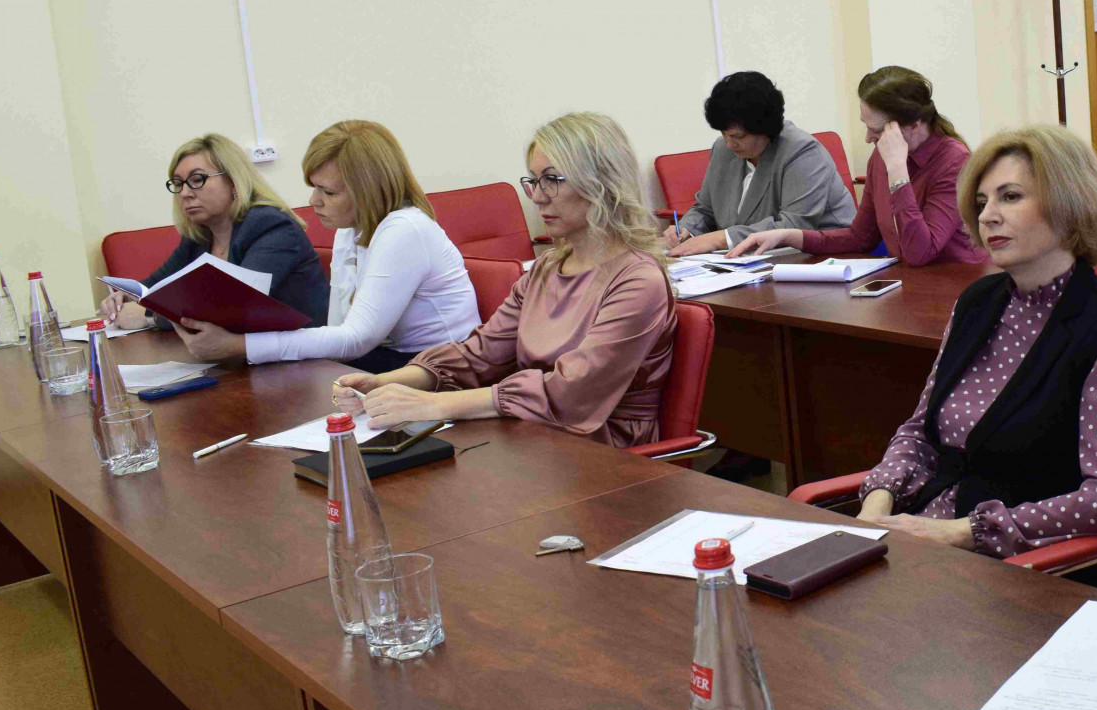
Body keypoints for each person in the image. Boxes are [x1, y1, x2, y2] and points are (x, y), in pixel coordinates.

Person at [852, 126, 1097, 558]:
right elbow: (921, 432)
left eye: (1010, 197)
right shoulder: (977, 302)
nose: (987, 216)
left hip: (1022, 564)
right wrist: (876, 506)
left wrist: (963, 532)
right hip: (924, 535)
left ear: (1069, 204)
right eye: (982, 203)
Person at [333, 112, 676, 447]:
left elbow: (571, 393)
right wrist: (385, 383)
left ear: (601, 184)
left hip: (602, 449)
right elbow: (480, 355)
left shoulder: (638, 280)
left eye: (553, 180)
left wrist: (435, 404)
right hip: (535, 431)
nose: (538, 196)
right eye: (534, 181)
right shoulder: (546, 268)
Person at [170, 121, 479, 374]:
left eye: (328, 192)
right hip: (397, 360)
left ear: (367, 192)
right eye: (314, 188)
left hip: (443, 367)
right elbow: (339, 326)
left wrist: (240, 346)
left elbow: (355, 340)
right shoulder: (350, 229)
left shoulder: (404, 229)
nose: (313, 201)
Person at [727, 66, 984, 265]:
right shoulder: (881, 157)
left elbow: (919, 252)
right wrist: (789, 236)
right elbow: (861, 237)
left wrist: (897, 172)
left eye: (877, 130)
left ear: (915, 125)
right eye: (865, 125)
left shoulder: (954, 161)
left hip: (957, 288)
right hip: (910, 286)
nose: (868, 138)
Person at [100, 133, 328, 329]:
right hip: (246, 354)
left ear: (234, 182)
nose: (185, 193)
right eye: (178, 184)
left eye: (197, 179)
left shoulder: (271, 225)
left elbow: (234, 306)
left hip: (309, 356)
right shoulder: (199, 236)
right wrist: (126, 296)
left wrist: (150, 317)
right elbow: (153, 287)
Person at [663, 71, 855, 257]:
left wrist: (721, 239)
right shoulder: (722, 149)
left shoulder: (802, 152)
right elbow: (705, 209)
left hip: (825, 256)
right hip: (755, 259)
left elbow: (794, 226)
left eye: (738, 136)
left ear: (766, 129)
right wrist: (687, 229)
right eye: (723, 134)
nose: (729, 144)